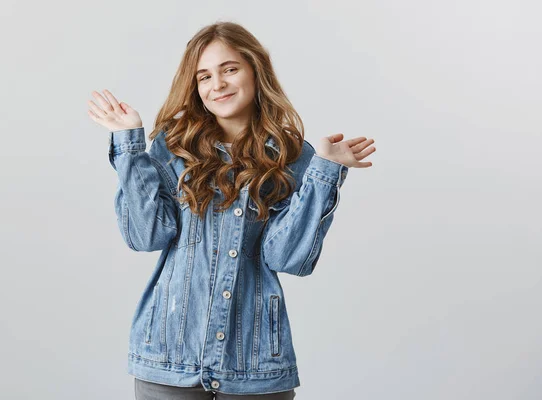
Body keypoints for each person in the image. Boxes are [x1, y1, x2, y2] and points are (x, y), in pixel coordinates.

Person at [87, 21, 375, 400]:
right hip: (168, 358)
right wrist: (129, 146)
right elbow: (146, 237)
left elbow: (288, 259)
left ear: (256, 70)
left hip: (254, 362)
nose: (217, 84)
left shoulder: (293, 157)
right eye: (204, 76)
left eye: (229, 69)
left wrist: (324, 173)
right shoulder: (171, 150)